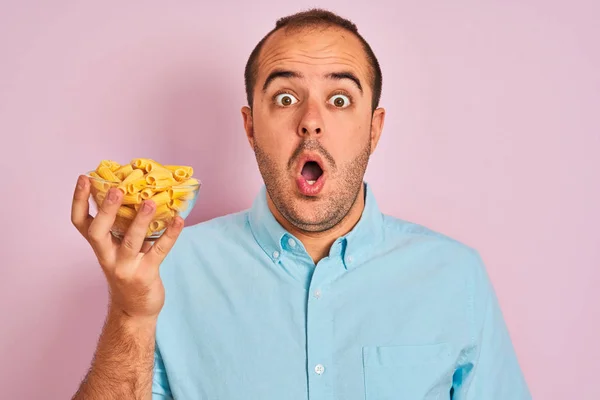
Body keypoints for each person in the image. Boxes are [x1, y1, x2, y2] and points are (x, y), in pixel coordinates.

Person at [71, 8, 531, 400]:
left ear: (374, 128)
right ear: (250, 127)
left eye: (339, 99)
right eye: (286, 97)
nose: (310, 122)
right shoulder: (166, 271)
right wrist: (130, 314)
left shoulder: (455, 276)